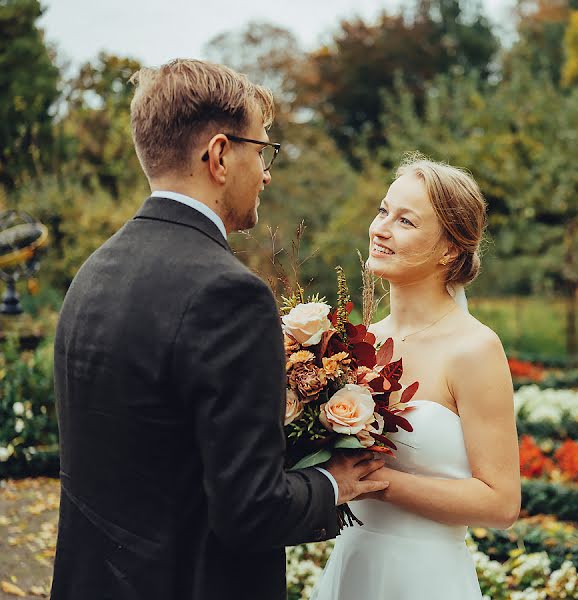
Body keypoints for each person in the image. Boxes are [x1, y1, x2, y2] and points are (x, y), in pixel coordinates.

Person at [50, 58, 387, 600]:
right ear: (220, 155)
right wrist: (333, 481)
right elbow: (250, 511)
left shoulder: (92, 273)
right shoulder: (228, 295)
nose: (268, 172)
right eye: (263, 151)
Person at [312, 156, 521, 599]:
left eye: (405, 221)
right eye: (383, 211)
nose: (380, 228)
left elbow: (501, 503)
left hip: (426, 576)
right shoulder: (354, 344)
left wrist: (376, 483)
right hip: (352, 566)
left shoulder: (475, 349)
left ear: (449, 249)